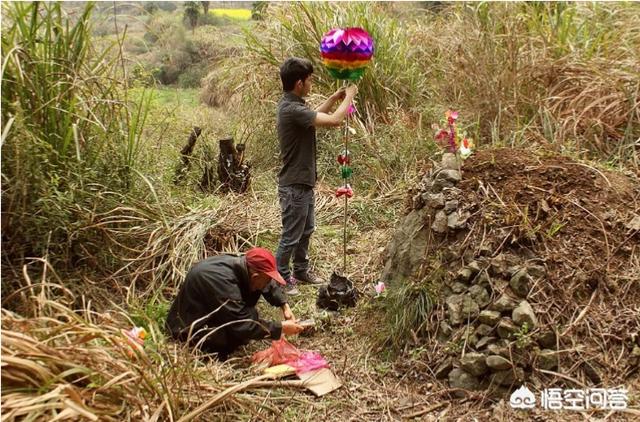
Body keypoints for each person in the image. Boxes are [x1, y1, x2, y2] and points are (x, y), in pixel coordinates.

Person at [276, 57, 358, 296]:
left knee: (306, 229)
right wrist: (350, 95)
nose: (312, 83)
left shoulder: (292, 107)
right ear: (300, 83)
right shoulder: (291, 109)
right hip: (294, 185)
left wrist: (334, 98)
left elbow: (313, 116)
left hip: (302, 183)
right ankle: (281, 276)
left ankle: (300, 270)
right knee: (291, 236)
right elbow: (333, 120)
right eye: (310, 79)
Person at [165, 247, 304, 360]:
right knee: (233, 336)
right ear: (255, 276)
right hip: (190, 326)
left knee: (251, 314)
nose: (268, 283)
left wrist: (284, 305)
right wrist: (280, 328)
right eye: (266, 280)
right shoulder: (221, 280)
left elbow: (267, 283)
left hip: (214, 311)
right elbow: (241, 324)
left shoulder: (245, 264)